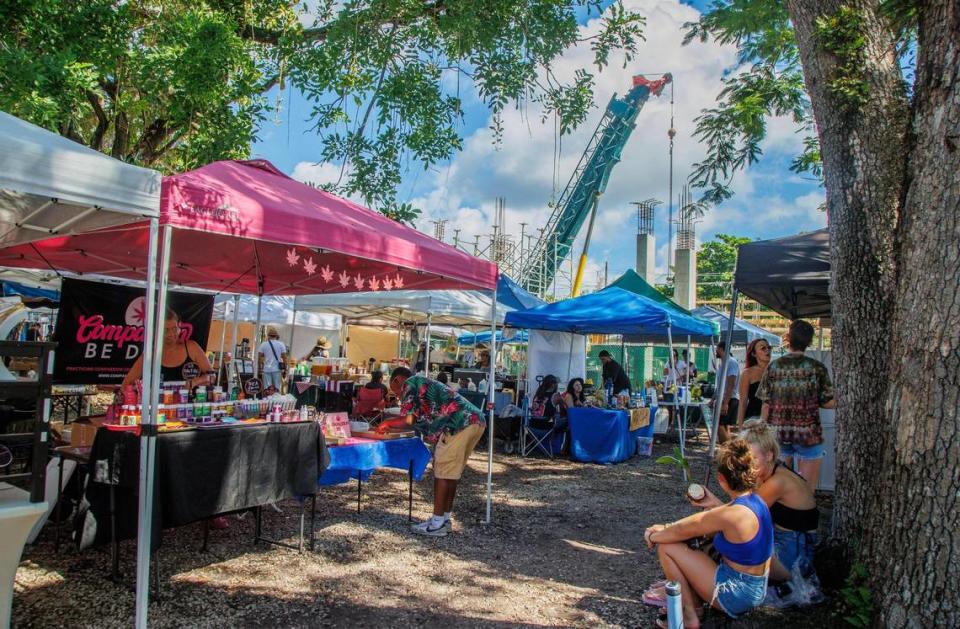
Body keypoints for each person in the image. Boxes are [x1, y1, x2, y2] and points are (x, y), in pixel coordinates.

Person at [644, 440, 773, 627]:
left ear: (721, 478)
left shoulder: (730, 514)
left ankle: (690, 615)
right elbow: (720, 517)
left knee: (667, 547)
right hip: (755, 588)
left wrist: (652, 536)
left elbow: (683, 530)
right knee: (698, 543)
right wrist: (712, 502)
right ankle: (693, 604)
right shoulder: (756, 502)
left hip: (735, 594)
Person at [691, 421, 819, 586]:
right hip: (786, 546)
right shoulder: (770, 473)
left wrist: (713, 505)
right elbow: (740, 510)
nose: (747, 465)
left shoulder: (777, 482)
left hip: (792, 560)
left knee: (717, 537)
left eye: (753, 459)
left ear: (769, 455)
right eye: (746, 459)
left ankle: (693, 583)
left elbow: (740, 514)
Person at [378, 367, 486, 536]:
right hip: (475, 420)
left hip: (457, 423)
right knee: (451, 474)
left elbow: (409, 419)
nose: (398, 397)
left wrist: (388, 423)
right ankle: (444, 519)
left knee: (442, 473)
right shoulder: (425, 383)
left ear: (397, 380)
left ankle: (437, 524)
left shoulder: (410, 384)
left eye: (395, 391)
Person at [758, 320, 835, 489]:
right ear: (809, 341)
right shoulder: (818, 368)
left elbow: (766, 404)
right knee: (806, 491)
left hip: (778, 434)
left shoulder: (774, 367)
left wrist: (761, 432)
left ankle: (781, 515)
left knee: (776, 489)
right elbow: (828, 402)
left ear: (788, 338)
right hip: (808, 435)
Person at [123, 308, 214, 389]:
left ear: (179, 327)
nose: (171, 334)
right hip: (159, 406)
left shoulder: (191, 347)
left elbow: (212, 376)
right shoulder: (151, 354)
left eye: (174, 329)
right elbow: (127, 383)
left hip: (188, 406)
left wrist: (195, 382)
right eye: (166, 330)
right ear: (156, 331)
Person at [737, 339, 772, 428]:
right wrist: (740, 426)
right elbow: (743, 401)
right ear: (754, 354)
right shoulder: (747, 373)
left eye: (769, 347)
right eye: (763, 348)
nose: (767, 350)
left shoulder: (776, 370)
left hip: (773, 420)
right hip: (753, 420)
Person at [714, 343, 741, 444]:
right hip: (726, 398)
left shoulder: (731, 362)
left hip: (729, 398)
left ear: (721, 348)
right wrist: (713, 399)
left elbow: (731, 383)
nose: (716, 351)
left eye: (717, 349)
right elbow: (721, 384)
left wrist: (725, 403)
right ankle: (727, 451)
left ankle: (725, 449)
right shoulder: (724, 363)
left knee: (719, 424)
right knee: (724, 425)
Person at [257, 327, 288, 393]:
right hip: (277, 370)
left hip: (266, 369)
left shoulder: (263, 344)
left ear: (268, 336)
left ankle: (267, 402)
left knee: (267, 389)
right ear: (276, 336)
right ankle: (275, 402)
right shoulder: (281, 344)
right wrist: (285, 369)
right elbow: (285, 358)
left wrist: (259, 368)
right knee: (276, 389)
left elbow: (259, 357)